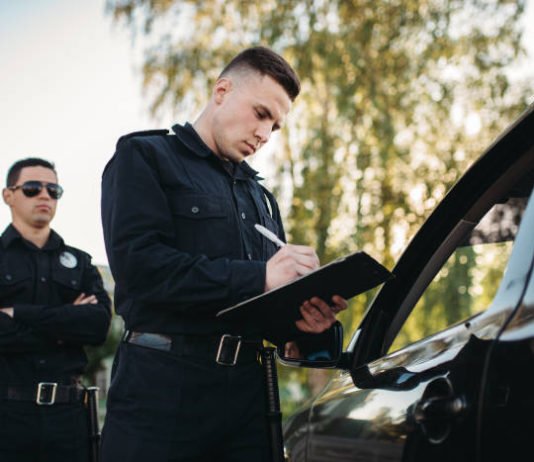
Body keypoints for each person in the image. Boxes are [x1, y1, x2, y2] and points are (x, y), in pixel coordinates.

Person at [100, 46, 348, 462]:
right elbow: (140, 269)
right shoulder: (145, 157)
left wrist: (308, 323)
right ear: (221, 90)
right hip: (163, 394)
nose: (265, 135)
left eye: (276, 127)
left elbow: (266, 310)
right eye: (261, 113)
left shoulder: (260, 197)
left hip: (249, 400)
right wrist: (261, 277)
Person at [0, 158, 112, 462]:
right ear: (8, 195)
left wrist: (18, 314)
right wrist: (66, 322)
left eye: (54, 189)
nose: (45, 196)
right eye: (33, 188)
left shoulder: (80, 261)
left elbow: (98, 326)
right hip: (7, 416)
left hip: (69, 418)